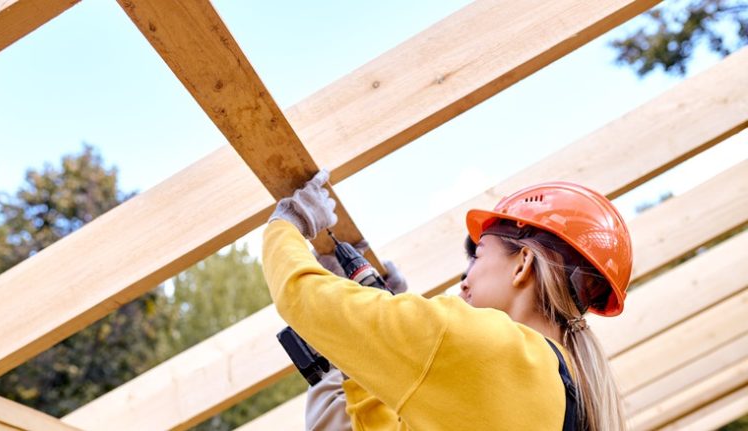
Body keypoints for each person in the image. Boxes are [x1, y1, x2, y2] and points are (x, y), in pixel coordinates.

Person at [263, 169, 632, 430]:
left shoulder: (485, 342)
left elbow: (301, 296)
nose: (464, 277)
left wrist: (289, 222)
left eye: (478, 254)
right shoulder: (573, 392)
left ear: (523, 264)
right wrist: (362, 365)